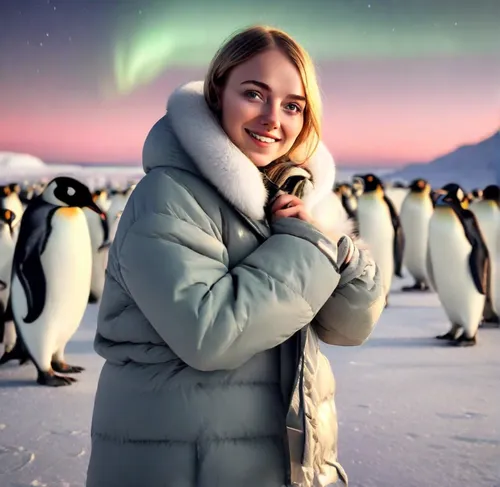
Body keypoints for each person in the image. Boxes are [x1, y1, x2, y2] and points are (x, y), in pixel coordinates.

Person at [86, 25, 385, 487]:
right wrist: (307, 246)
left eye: (292, 106)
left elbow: (350, 325)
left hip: (277, 463)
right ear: (216, 93)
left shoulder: (292, 197)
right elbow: (210, 334)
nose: (272, 118)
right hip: (180, 463)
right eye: (253, 93)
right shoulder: (168, 195)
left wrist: (334, 248)